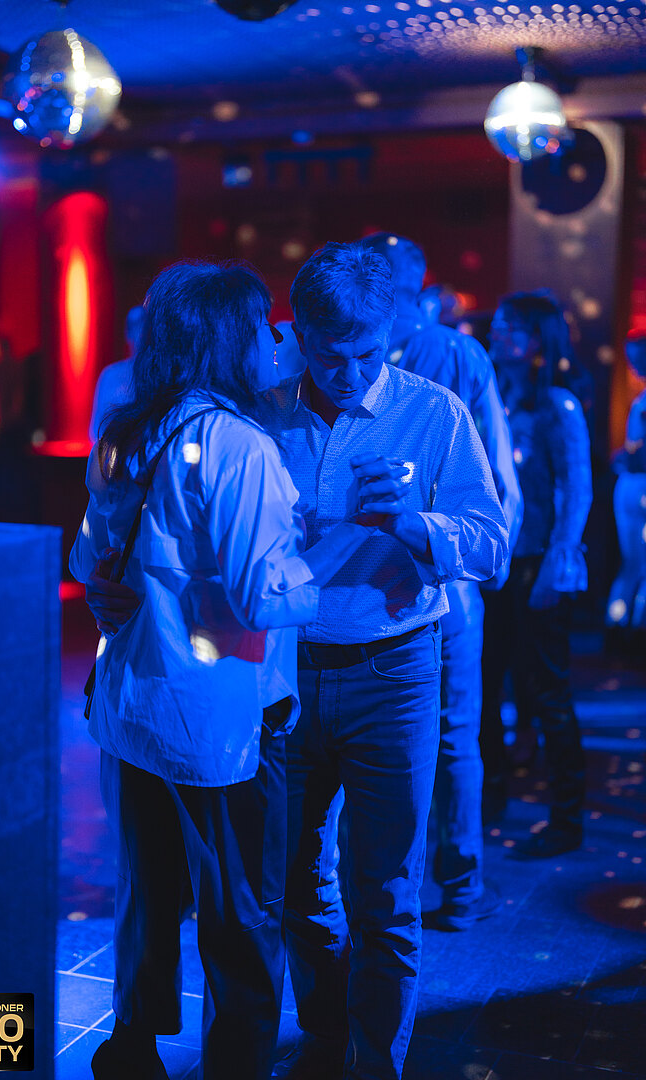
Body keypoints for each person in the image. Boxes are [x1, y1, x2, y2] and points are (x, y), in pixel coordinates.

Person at [86, 243, 509, 1080]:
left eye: (368, 355)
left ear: (391, 333)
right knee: (292, 887)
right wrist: (125, 581)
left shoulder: (433, 413)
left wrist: (415, 526)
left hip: (394, 672)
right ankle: (321, 1040)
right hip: (277, 675)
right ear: (296, 335)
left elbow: (493, 545)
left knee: (385, 894)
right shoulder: (259, 417)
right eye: (329, 355)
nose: (350, 375)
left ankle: (375, 1065)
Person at [69, 260, 376, 1080]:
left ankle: (130, 1050)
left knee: (146, 893)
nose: (277, 339)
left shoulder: (126, 432)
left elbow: (87, 561)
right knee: (243, 913)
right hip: (220, 720)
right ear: (227, 337)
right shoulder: (238, 443)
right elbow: (266, 596)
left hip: (131, 706)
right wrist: (347, 532)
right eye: (262, 324)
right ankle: (234, 1065)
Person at [360, 233, 523, 932]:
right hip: (450, 577)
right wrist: (493, 562)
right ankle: (461, 887)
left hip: (363, 579)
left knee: (370, 739)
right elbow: (501, 483)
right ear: (423, 285)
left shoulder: (346, 352)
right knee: (457, 733)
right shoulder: (460, 353)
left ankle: (377, 887)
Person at [481, 289, 592, 857]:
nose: (498, 334)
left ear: (537, 340)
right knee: (484, 686)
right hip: (496, 566)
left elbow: (577, 488)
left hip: (540, 563)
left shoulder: (557, 406)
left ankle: (567, 820)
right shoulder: (493, 397)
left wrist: (559, 558)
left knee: (547, 692)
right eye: (498, 325)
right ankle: (489, 799)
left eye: (511, 327)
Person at [607, 332, 646, 630]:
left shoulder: (640, 402)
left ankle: (623, 623)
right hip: (635, 486)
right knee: (634, 562)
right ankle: (626, 627)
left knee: (634, 563)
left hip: (632, 485)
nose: (635, 366)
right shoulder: (639, 402)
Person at [89, 305, 146, 442]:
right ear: (128, 333)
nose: (141, 333)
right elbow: (95, 427)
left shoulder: (162, 376)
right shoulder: (110, 374)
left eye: (145, 326)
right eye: (136, 326)